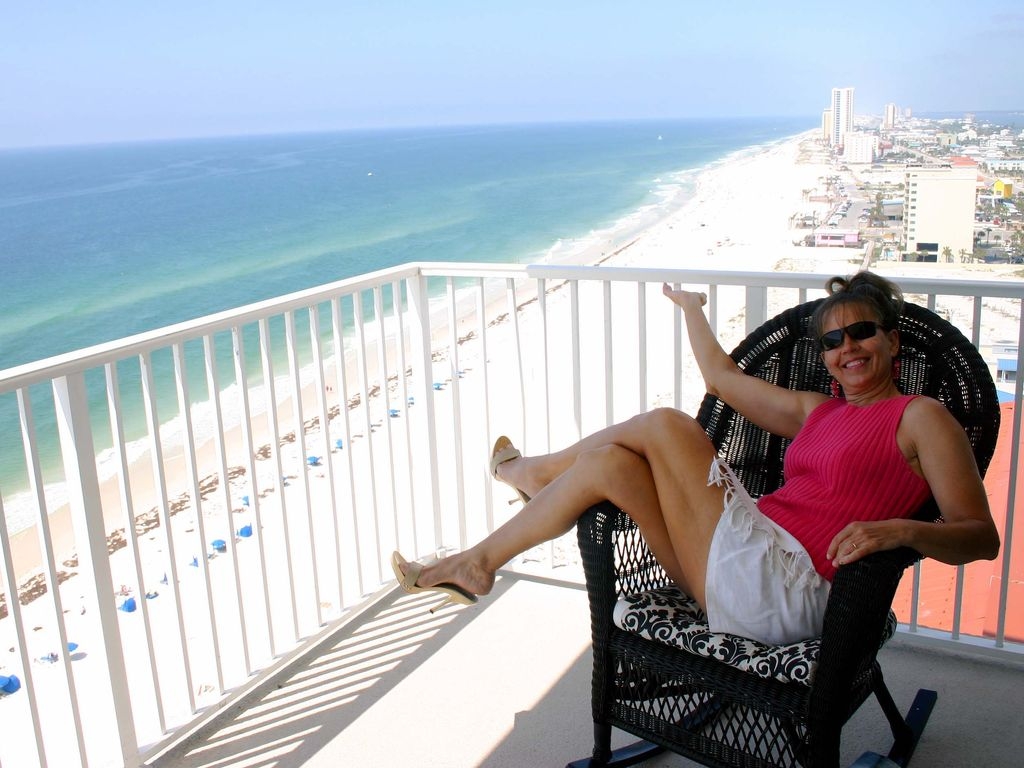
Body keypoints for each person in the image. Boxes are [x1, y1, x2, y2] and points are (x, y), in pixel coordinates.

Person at [392, 272, 1000, 644]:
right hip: (736, 573)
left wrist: (901, 531)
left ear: (892, 340)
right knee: (607, 466)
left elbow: (979, 536)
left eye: (863, 332)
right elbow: (721, 380)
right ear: (824, 356)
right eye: (833, 340)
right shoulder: (818, 411)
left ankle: (529, 472)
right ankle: (477, 564)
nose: (849, 348)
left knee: (664, 424)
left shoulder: (921, 417)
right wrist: (692, 310)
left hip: (788, 588)